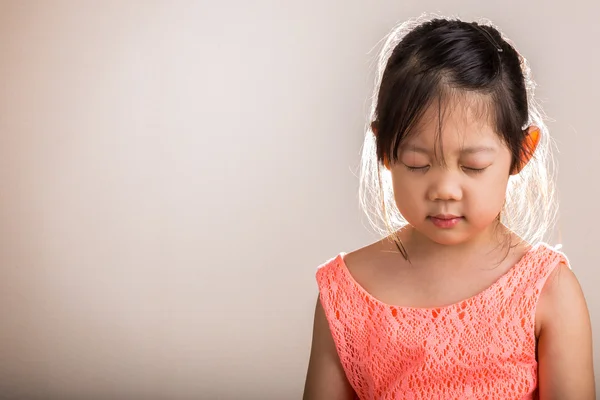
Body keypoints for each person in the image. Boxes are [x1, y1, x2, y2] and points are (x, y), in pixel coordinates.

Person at [303, 14, 595, 399]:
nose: (444, 189)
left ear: (521, 153)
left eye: (473, 166)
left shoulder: (549, 291)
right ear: (384, 149)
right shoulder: (346, 294)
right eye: (417, 163)